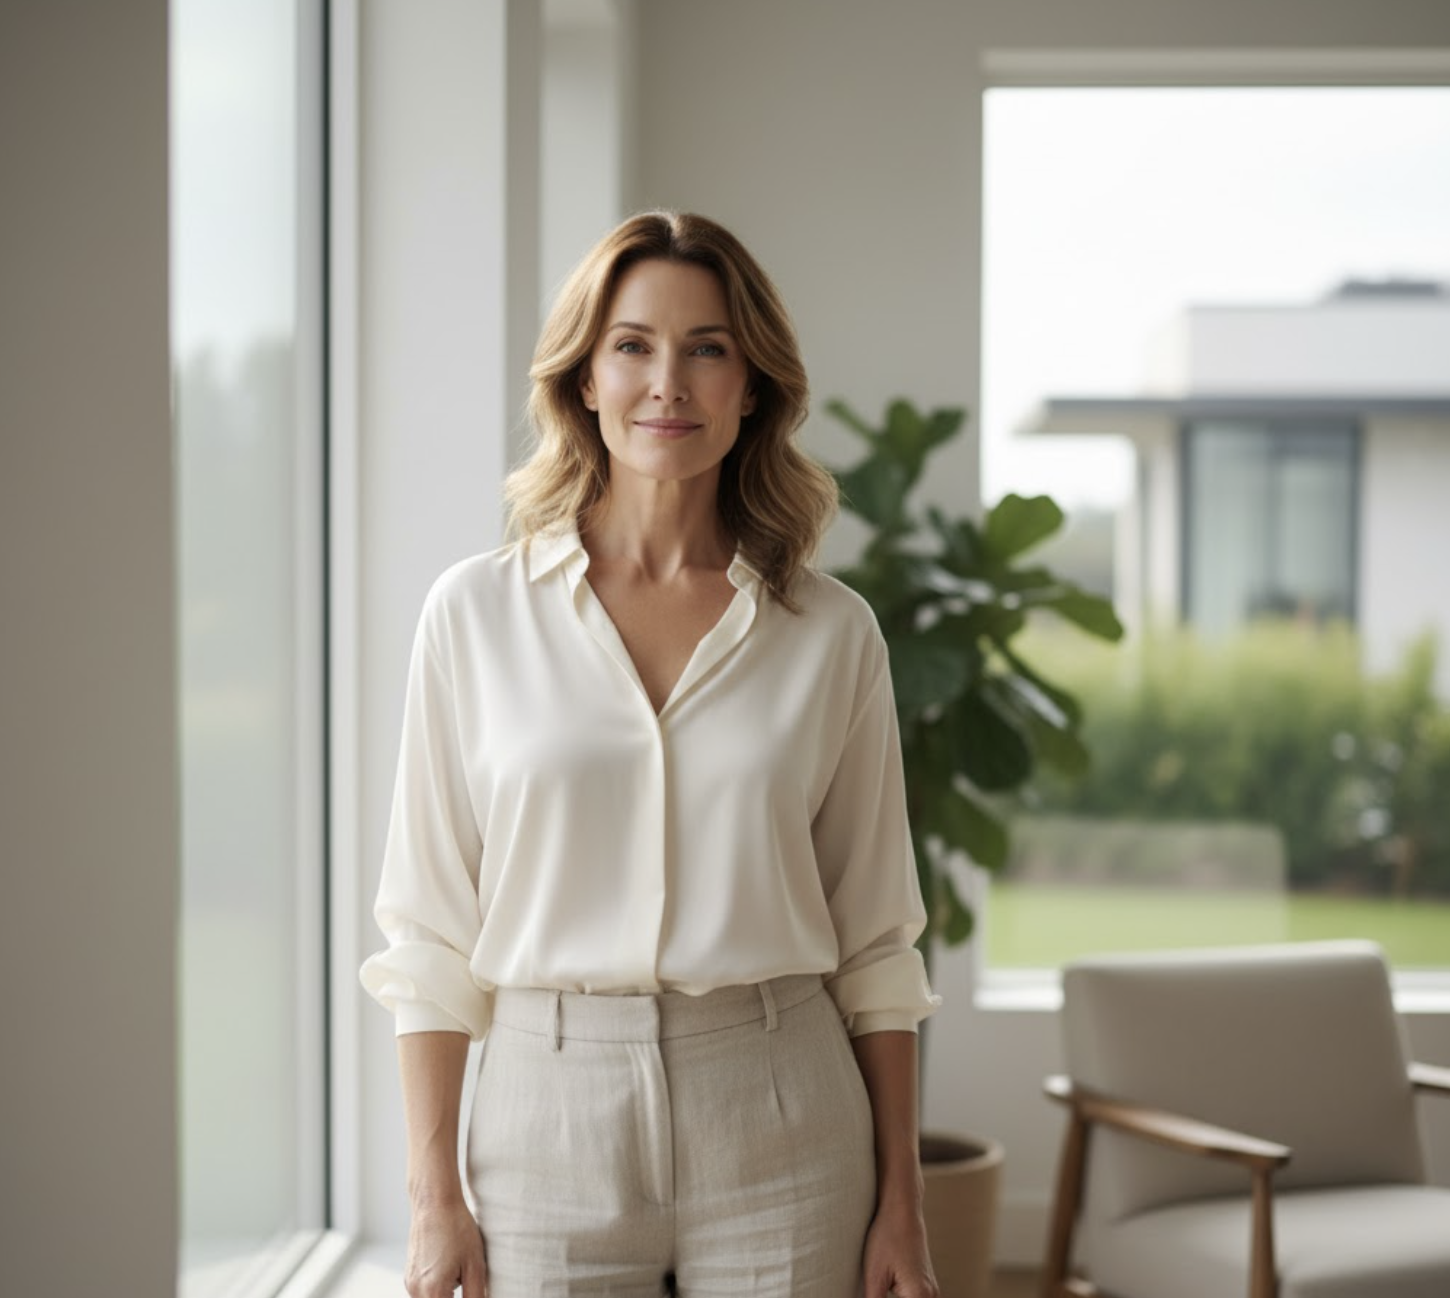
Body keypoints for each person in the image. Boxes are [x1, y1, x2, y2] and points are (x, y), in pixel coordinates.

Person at [361, 211, 942, 1298]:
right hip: (545, 1110)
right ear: (583, 377)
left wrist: (901, 1194)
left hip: (782, 1106)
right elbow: (431, 933)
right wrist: (434, 1196)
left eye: (706, 347)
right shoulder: (474, 615)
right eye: (631, 344)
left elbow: (875, 940)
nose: (666, 381)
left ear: (752, 385)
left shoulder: (830, 630)